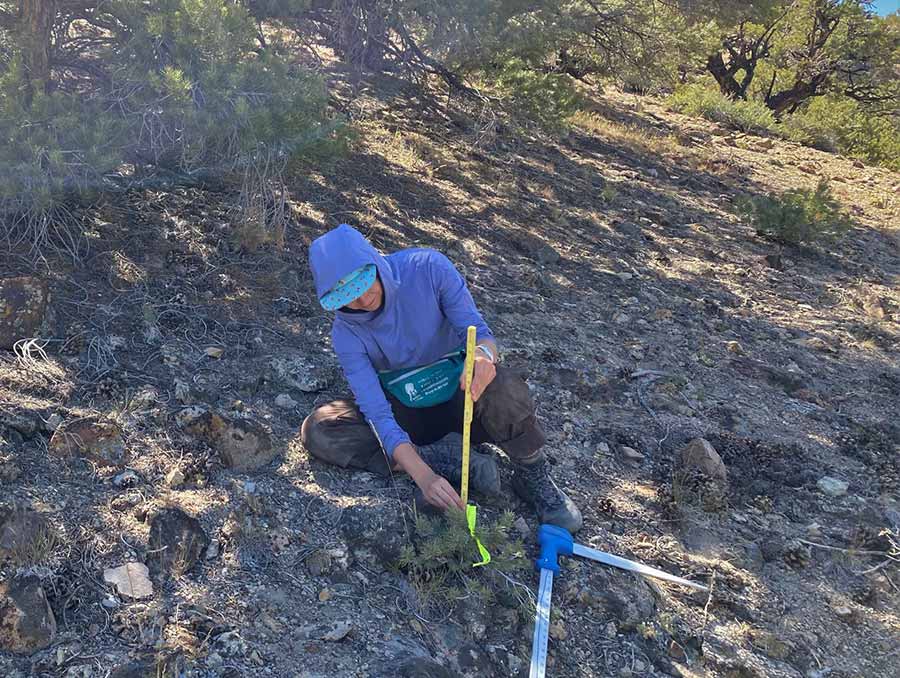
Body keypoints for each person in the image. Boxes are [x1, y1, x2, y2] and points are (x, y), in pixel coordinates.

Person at [300, 224, 582, 533]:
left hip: (462, 399)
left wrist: (483, 358)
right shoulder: (346, 334)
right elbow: (377, 412)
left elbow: (480, 334)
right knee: (320, 428)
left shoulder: (428, 269)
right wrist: (424, 476)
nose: (363, 300)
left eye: (366, 283)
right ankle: (439, 458)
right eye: (348, 297)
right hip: (407, 413)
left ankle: (532, 476)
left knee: (502, 386)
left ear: (375, 262)